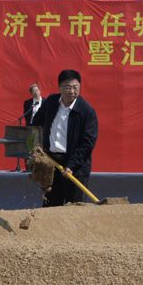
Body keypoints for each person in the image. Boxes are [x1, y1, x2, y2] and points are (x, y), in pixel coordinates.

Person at [32, 69, 98, 207]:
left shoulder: (86, 112)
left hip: (75, 167)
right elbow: (36, 123)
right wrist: (38, 149)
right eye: (68, 87)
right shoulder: (51, 102)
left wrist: (71, 165)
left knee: (74, 209)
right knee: (50, 206)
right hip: (52, 163)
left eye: (76, 88)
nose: (72, 91)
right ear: (59, 87)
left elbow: (87, 144)